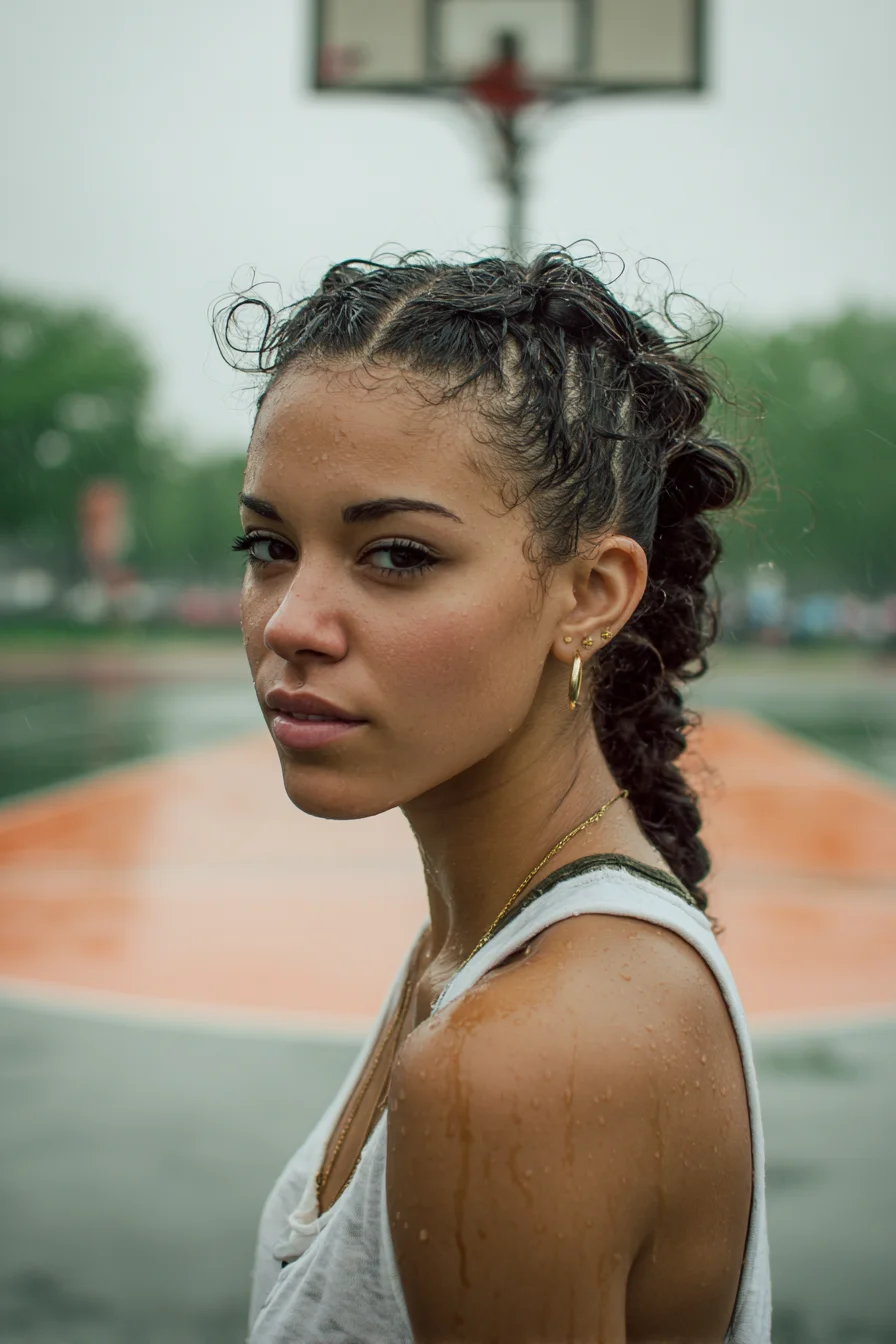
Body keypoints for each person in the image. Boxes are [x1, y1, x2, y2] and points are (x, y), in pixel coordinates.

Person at [221, 250, 771, 1343]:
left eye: (396, 554)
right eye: (269, 545)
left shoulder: (529, 1050)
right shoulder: (486, 946)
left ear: (589, 596)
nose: (289, 621)